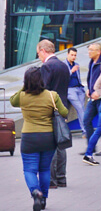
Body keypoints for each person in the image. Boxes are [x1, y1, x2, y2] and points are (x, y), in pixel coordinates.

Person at [11, 67, 69, 211]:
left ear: (26, 81)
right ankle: (43, 199)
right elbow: (64, 112)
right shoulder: (51, 95)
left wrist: (25, 86)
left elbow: (13, 101)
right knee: (44, 169)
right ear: (41, 79)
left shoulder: (23, 96)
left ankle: (35, 192)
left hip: (29, 138)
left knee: (29, 170)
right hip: (48, 138)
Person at [37, 40, 70, 189]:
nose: (39, 57)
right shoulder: (64, 66)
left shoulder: (47, 67)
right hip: (62, 108)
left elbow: (43, 91)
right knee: (61, 143)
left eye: (39, 53)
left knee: (50, 146)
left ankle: (51, 180)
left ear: (43, 51)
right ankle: (62, 178)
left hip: (49, 110)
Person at [82, 43, 101, 156]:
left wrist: (99, 93)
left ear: (98, 51)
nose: (89, 52)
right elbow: (91, 78)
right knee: (86, 120)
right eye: (89, 50)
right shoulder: (92, 62)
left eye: (91, 50)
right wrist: (89, 89)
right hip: (92, 98)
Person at [65, 48, 87, 138]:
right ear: (67, 54)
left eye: (75, 55)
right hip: (70, 89)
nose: (73, 57)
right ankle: (85, 130)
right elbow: (63, 77)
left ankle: (85, 130)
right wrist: (71, 71)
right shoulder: (63, 65)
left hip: (79, 89)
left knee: (82, 109)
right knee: (80, 108)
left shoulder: (76, 64)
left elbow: (78, 77)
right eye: (72, 55)